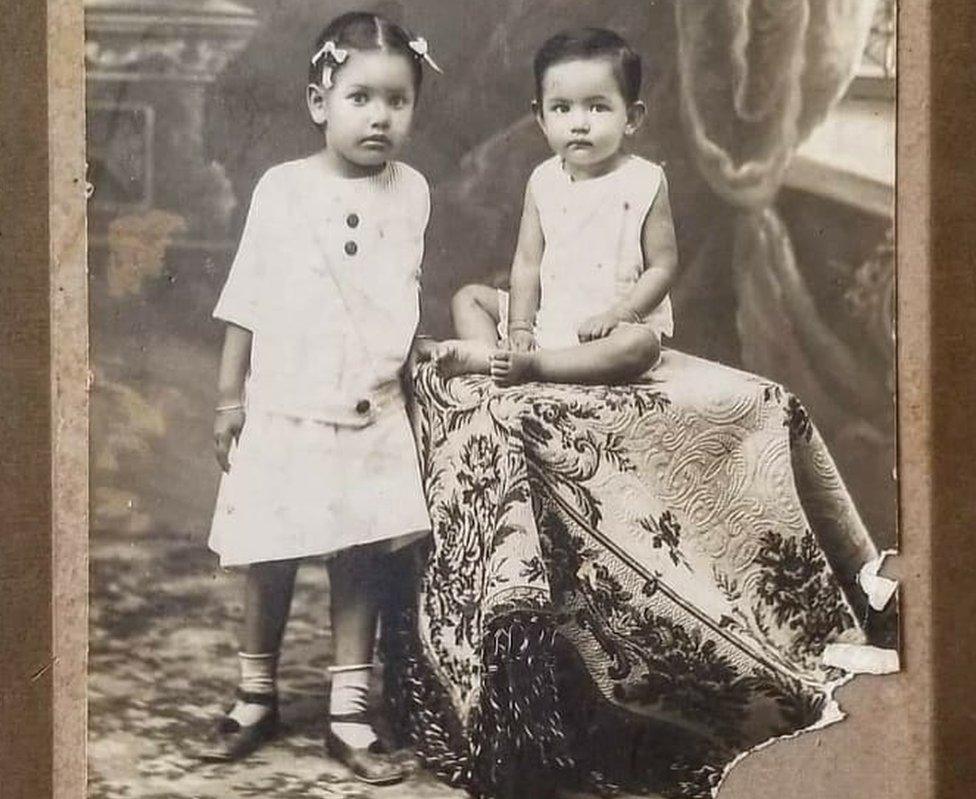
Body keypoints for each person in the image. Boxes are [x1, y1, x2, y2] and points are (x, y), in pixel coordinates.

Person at [199, 11, 440, 785]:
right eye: (360, 97)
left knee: (361, 555)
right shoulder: (283, 189)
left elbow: (398, 291)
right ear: (317, 100)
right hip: (283, 405)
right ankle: (254, 692)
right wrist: (228, 396)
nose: (379, 116)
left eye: (397, 101)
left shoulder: (414, 193)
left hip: (368, 410)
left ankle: (348, 708)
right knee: (268, 554)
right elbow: (248, 297)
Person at [437, 28, 678, 385]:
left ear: (631, 117)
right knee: (469, 298)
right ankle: (492, 356)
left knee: (641, 345)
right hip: (548, 317)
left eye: (598, 107)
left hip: (608, 329)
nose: (579, 124)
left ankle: (538, 367)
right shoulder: (543, 179)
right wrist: (520, 325)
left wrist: (621, 313)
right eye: (562, 108)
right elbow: (527, 263)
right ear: (541, 118)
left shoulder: (645, 180)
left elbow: (662, 265)